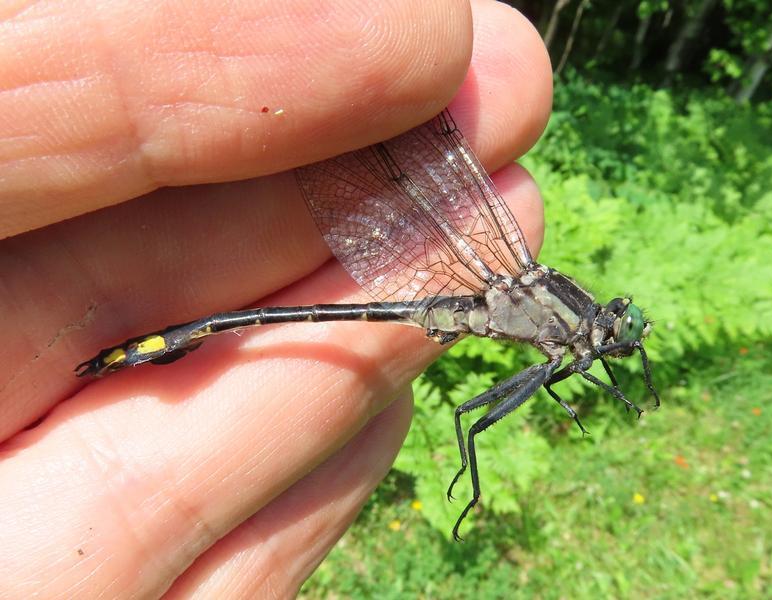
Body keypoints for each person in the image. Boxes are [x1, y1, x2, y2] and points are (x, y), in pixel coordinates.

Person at [0, 0, 551, 595]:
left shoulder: (556, 330)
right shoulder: (549, 317)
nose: (609, 337)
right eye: (613, 329)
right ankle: (148, 346)